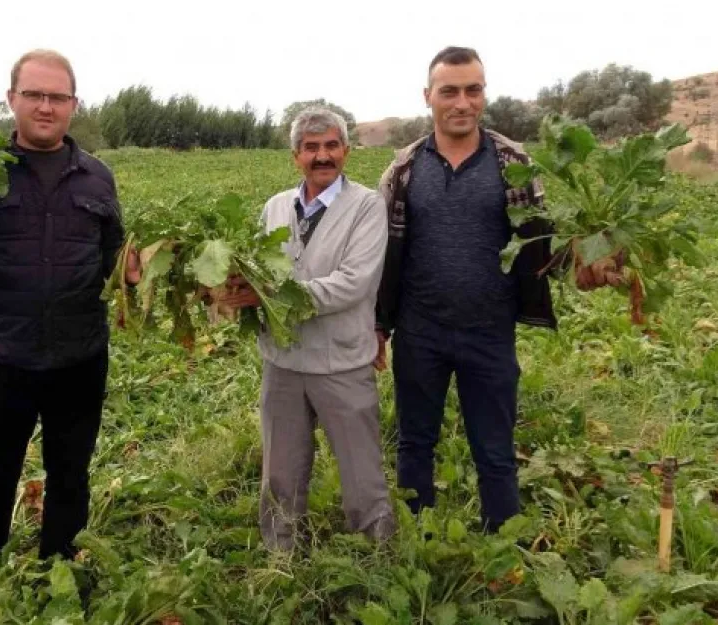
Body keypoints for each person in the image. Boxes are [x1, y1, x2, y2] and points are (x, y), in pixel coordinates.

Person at [0, 49, 140, 577]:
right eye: (34, 95)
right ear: (11, 99)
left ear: (73, 104)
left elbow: (114, 257)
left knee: (70, 476)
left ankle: (58, 577)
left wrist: (135, 270)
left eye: (57, 97)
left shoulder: (97, 178)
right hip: (4, 357)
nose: (45, 106)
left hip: (80, 355)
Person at [374, 46, 623, 532]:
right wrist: (377, 325)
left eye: (473, 90)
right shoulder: (403, 170)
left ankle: (501, 548)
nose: (462, 102)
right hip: (419, 332)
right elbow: (380, 254)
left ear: (484, 96)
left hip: (489, 333)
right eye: (450, 91)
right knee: (414, 442)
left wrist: (587, 261)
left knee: (494, 448)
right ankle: (416, 540)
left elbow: (541, 240)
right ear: (429, 97)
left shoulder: (514, 163)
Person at [220, 107, 395, 550]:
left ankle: (378, 554)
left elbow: (352, 284)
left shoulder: (367, 207)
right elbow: (255, 270)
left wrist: (270, 296)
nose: (323, 156)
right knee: (281, 472)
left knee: (362, 474)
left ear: (346, 151)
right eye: (312, 147)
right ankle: (281, 556)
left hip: (342, 362)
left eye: (332, 145)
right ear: (295, 154)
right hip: (284, 361)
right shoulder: (275, 207)